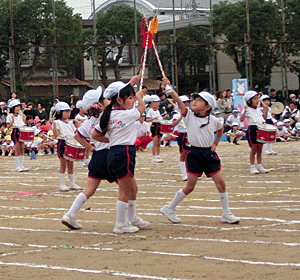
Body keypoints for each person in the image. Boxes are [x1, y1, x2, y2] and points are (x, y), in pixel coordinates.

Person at [160, 79, 240, 225]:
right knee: (190, 186)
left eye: (199, 100)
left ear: (208, 106)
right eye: (194, 99)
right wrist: (170, 89)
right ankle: (169, 207)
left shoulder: (214, 119)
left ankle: (226, 213)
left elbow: (220, 129)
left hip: (209, 154)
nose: (194, 102)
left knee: (221, 182)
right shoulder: (189, 115)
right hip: (195, 154)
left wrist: (215, 143)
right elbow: (178, 102)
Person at [93, 77, 150, 234]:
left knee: (133, 188)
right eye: (130, 98)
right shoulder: (127, 114)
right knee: (124, 191)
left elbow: (94, 135)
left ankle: (131, 218)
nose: (132, 100)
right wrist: (139, 96)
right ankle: (120, 224)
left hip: (115, 152)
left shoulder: (108, 114)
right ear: (119, 100)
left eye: (133, 97)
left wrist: (111, 140)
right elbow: (142, 109)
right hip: (123, 153)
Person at [61, 88, 113, 230]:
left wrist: (89, 148)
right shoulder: (108, 116)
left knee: (89, 190)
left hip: (97, 156)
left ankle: (70, 214)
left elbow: (78, 135)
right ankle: (128, 218)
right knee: (128, 188)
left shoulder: (90, 120)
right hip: (109, 155)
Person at [51, 102, 82, 192]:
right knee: (63, 165)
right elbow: (56, 135)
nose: (68, 114)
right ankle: (62, 184)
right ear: (58, 112)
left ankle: (72, 183)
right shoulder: (57, 122)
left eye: (69, 112)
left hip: (71, 142)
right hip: (63, 143)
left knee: (71, 165)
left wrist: (78, 125)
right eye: (66, 112)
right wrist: (54, 125)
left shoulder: (70, 123)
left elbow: (75, 132)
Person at [240, 91, 269, 174]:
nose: (257, 100)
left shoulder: (259, 110)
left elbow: (264, 118)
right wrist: (245, 111)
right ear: (249, 101)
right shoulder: (247, 109)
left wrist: (266, 111)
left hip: (261, 128)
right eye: (255, 99)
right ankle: (252, 166)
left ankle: (260, 166)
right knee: (254, 149)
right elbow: (241, 119)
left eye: (258, 99)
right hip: (252, 129)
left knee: (260, 149)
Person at [172, 95, 191, 181]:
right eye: (186, 102)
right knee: (183, 153)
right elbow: (172, 124)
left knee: (190, 154)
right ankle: (184, 174)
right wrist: (180, 118)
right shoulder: (177, 114)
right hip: (182, 134)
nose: (188, 104)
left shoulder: (190, 112)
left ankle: (190, 172)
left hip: (190, 133)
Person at [6, 100, 28, 171]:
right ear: (13, 108)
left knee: (22, 148)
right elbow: (8, 126)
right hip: (15, 131)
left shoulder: (20, 116)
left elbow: (22, 124)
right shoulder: (10, 116)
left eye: (19, 107)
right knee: (17, 148)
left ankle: (21, 166)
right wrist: (12, 120)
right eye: (17, 107)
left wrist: (24, 119)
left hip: (21, 131)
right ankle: (17, 166)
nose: (18, 108)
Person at [146, 94, 169, 163]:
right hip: (154, 125)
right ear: (152, 103)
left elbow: (160, 119)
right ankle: (154, 156)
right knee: (155, 142)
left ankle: (158, 155)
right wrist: (153, 118)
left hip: (159, 125)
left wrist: (164, 117)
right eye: (157, 102)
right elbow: (147, 119)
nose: (158, 103)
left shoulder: (157, 111)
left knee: (159, 142)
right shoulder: (150, 111)